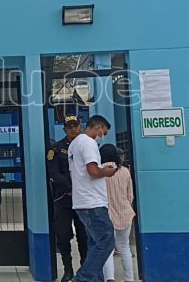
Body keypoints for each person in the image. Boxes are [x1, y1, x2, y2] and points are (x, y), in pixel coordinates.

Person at [68, 115, 118, 282]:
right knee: (107, 239)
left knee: (95, 244)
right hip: (93, 202)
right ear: (97, 126)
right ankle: (82, 278)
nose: (103, 134)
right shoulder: (89, 143)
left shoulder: (74, 144)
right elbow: (93, 171)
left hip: (82, 201)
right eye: (103, 130)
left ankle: (93, 279)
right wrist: (107, 171)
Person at [47, 116, 89, 282]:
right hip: (63, 198)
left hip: (83, 197)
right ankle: (68, 270)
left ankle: (85, 270)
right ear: (64, 129)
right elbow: (54, 172)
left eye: (75, 125)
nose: (73, 129)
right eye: (69, 126)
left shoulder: (87, 146)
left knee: (84, 235)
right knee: (63, 235)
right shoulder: (56, 149)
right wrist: (70, 188)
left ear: (80, 127)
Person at [100, 144, 136, 282]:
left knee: (108, 249)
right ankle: (129, 279)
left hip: (107, 215)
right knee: (124, 247)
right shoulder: (125, 171)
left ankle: (110, 278)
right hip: (125, 213)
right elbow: (130, 196)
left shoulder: (100, 172)